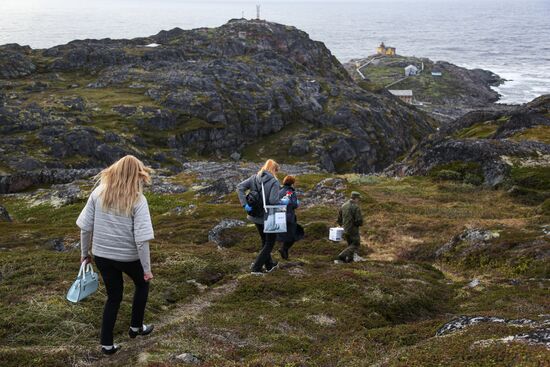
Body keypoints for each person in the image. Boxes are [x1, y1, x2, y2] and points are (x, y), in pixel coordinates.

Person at [77, 155, 155, 355]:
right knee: (142, 283)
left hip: (102, 256)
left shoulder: (98, 193)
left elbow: (85, 228)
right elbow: (142, 239)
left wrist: (85, 254)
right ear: (138, 174)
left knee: (114, 297)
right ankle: (136, 327)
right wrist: (146, 269)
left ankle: (107, 344)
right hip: (128, 257)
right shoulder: (138, 199)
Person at [237, 159, 282, 274]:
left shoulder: (254, 178)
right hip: (269, 216)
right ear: (274, 170)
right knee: (270, 243)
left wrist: (245, 205)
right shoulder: (274, 182)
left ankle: (269, 265)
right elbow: (273, 201)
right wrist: (283, 201)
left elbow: (240, 187)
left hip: (255, 216)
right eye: (276, 170)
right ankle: (256, 267)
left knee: (264, 241)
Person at [276, 175, 304, 260]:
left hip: (280, 216)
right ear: (292, 183)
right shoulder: (290, 192)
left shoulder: (280, 191)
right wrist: (297, 203)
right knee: (293, 235)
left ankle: (284, 252)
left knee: (286, 235)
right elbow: (294, 205)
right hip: (289, 217)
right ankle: (284, 249)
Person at [336, 191, 364, 263]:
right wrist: (359, 224)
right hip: (353, 229)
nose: (359, 200)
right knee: (356, 244)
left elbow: (339, 218)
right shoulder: (355, 207)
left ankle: (349, 260)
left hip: (345, 229)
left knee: (350, 244)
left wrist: (341, 225)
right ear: (356, 198)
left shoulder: (343, 205)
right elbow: (359, 220)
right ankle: (342, 255)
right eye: (358, 199)